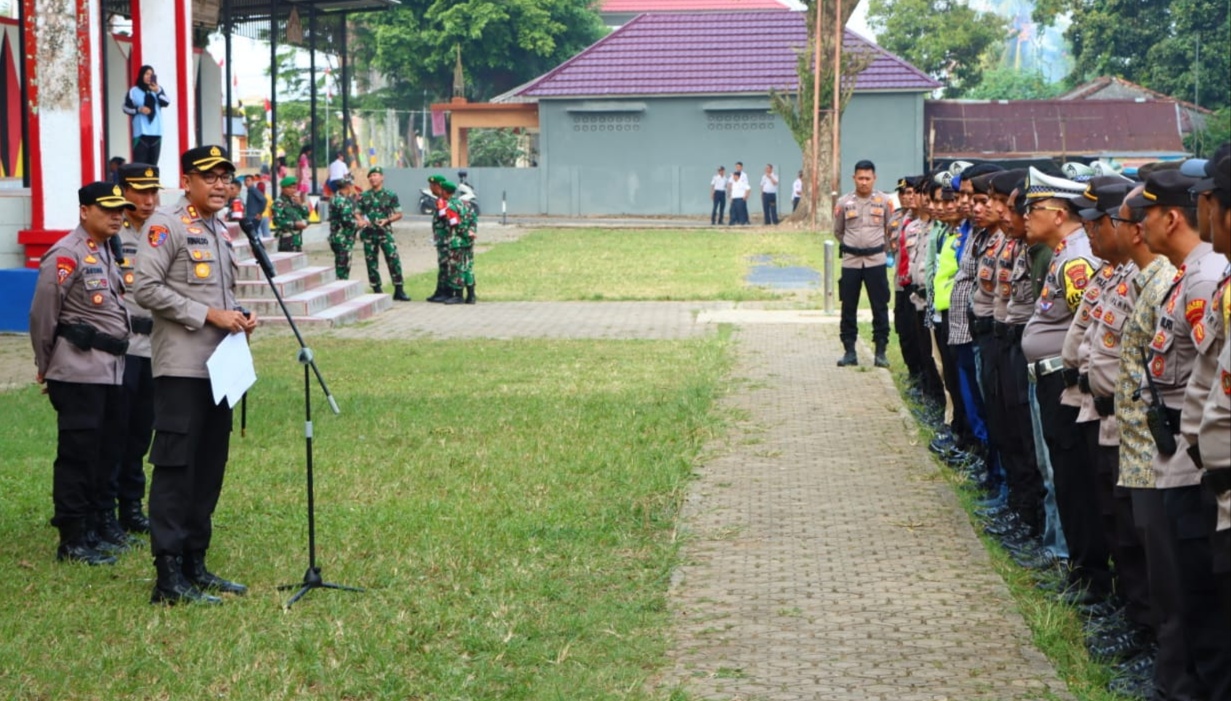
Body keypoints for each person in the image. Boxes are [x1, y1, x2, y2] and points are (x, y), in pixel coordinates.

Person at [134, 145, 257, 605]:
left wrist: (238, 317)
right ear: (186, 181)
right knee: (175, 469)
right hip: (182, 368)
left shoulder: (218, 230)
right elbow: (145, 287)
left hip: (220, 369)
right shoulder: (166, 224)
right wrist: (209, 314)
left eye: (227, 176)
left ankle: (194, 564)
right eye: (211, 176)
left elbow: (219, 297)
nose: (222, 184)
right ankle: (167, 578)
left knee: (208, 467)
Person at [1129, 169, 1231, 697]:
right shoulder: (1189, 274)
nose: (1137, 228)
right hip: (1186, 458)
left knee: (1200, 603)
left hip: (1199, 469)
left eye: (1143, 216)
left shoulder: (1203, 279)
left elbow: (1208, 377)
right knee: (1182, 592)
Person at [28, 182, 134, 566]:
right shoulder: (66, 254)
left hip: (111, 370)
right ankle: (72, 539)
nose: (117, 216)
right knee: (77, 456)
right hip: (77, 371)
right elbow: (43, 314)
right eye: (107, 209)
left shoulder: (106, 250)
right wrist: (46, 365)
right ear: (84, 211)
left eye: (120, 210)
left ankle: (92, 528)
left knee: (106, 453)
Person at [109, 163, 165, 538]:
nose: (148, 200)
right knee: (116, 431)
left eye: (153, 192)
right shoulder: (112, 233)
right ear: (123, 192)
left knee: (141, 433)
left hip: (156, 348)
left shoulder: (163, 231)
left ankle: (131, 506)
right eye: (139, 192)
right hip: (123, 349)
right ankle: (105, 509)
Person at [833, 160, 892, 368]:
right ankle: (849, 351)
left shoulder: (884, 201)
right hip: (851, 262)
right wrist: (853, 246)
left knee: (880, 306)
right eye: (860, 178)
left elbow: (890, 229)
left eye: (868, 178)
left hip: (876, 261)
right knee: (848, 306)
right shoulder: (843, 202)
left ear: (874, 178)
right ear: (854, 178)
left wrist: (878, 249)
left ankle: (881, 352)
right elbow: (838, 231)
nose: (864, 182)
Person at [356, 166, 410, 301]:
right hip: (369, 233)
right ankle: (377, 289)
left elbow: (399, 213)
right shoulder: (364, 196)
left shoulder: (390, 195)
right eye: (371, 176)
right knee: (371, 261)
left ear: (382, 177)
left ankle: (399, 289)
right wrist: (361, 220)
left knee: (393, 259)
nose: (373, 178)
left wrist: (387, 220)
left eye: (375, 175)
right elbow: (357, 212)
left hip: (385, 232)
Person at [123, 65, 169, 165]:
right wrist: (139, 109)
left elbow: (166, 102)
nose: (149, 76)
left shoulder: (157, 90)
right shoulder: (133, 91)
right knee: (140, 165)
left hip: (156, 133)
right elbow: (125, 108)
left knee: (153, 165)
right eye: (146, 74)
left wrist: (157, 91)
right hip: (141, 134)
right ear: (141, 75)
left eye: (151, 74)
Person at [440, 179, 477, 304]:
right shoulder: (466, 204)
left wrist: (465, 233)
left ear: (445, 192)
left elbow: (455, 223)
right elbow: (473, 220)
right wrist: (471, 232)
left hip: (456, 241)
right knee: (468, 267)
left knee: (456, 268)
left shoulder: (451, 206)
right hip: (469, 242)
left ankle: (458, 294)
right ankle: (471, 295)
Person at [328, 177, 364, 280]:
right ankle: (340, 290)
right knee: (343, 269)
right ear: (348, 186)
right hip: (343, 238)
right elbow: (347, 220)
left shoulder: (336, 198)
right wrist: (360, 224)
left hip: (338, 237)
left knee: (341, 265)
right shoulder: (342, 200)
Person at [272, 176, 309, 252]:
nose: (293, 190)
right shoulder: (279, 202)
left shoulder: (294, 201)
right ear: (283, 188)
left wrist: (300, 204)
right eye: (290, 188)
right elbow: (277, 221)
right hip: (286, 239)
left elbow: (306, 215)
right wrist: (294, 224)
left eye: (294, 188)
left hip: (297, 239)